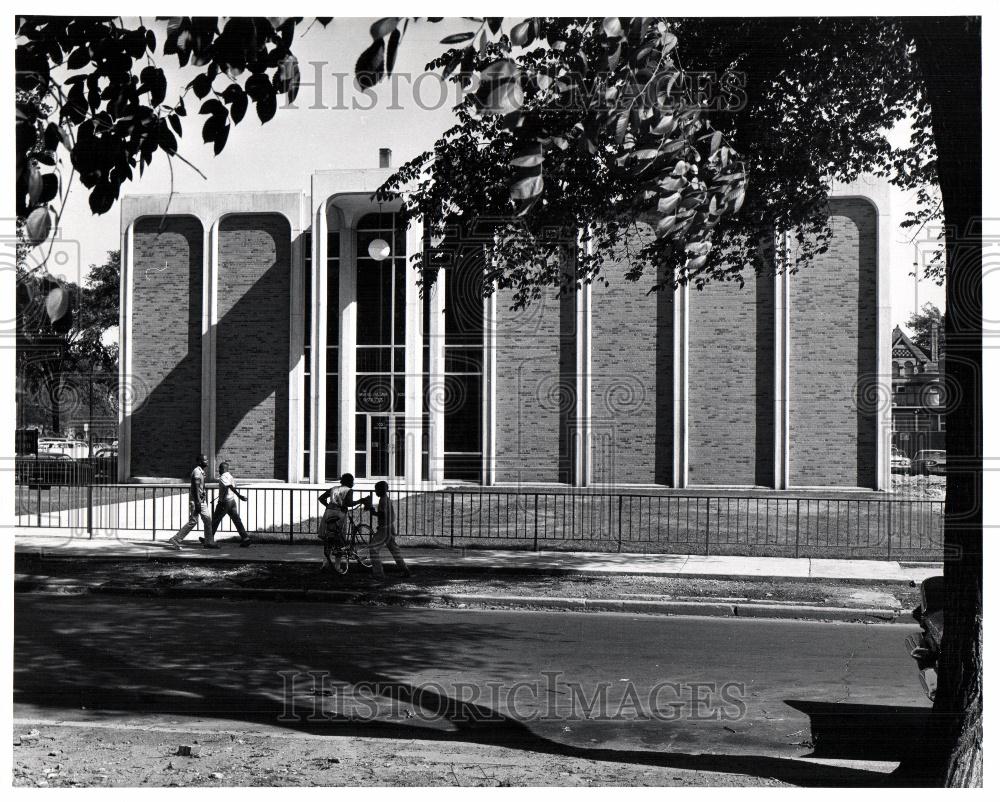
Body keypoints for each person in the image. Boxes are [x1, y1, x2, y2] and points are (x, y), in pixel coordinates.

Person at [317, 473, 367, 572]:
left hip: (328, 513)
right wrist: (360, 501)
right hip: (340, 514)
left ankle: (325, 564)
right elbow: (348, 503)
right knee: (339, 540)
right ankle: (337, 566)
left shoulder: (334, 488)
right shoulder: (348, 490)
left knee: (328, 539)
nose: (353, 483)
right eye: (352, 481)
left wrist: (328, 506)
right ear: (350, 482)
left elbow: (321, 498)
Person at [165, 454, 216, 549]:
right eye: (205, 460)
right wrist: (197, 502)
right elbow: (196, 488)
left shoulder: (200, 471)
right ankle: (176, 539)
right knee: (193, 521)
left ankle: (209, 542)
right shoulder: (197, 472)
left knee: (207, 520)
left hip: (200, 500)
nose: (207, 461)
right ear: (200, 462)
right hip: (197, 501)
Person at [368, 480, 411, 582]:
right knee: (394, 550)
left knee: (373, 549)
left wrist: (373, 512)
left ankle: (378, 574)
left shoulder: (383, 500)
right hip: (389, 528)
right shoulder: (386, 499)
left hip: (384, 529)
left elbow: (383, 514)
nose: (375, 492)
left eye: (376, 490)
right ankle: (405, 570)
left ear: (380, 490)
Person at [204, 461, 251, 547]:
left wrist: (239, 495)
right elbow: (233, 485)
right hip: (232, 501)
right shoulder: (230, 476)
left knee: (215, 520)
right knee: (237, 520)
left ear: (223, 469)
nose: (218, 470)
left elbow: (229, 486)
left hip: (224, 503)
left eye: (219, 468)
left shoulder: (223, 477)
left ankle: (208, 539)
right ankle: (245, 538)